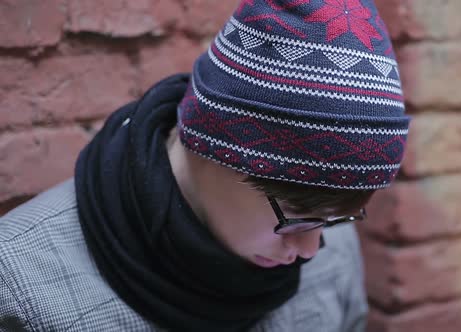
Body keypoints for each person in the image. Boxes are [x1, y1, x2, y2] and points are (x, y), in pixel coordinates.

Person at [0, 0, 409, 331]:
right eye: (300, 216)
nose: (310, 250)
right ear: (216, 146)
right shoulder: (20, 285)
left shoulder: (335, 249)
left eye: (334, 218)